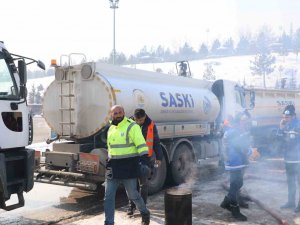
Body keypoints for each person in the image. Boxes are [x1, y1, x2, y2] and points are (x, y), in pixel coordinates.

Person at [104, 105, 150, 225]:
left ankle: (144, 212)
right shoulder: (110, 129)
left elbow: (141, 145)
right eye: (115, 113)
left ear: (124, 113)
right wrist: (108, 160)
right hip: (113, 168)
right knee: (108, 197)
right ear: (111, 115)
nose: (118, 114)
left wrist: (145, 162)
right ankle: (109, 223)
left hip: (129, 167)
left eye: (120, 112)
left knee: (133, 195)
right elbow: (110, 148)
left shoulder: (132, 126)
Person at [127, 108, 163, 216]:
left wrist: (159, 157)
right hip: (131, 157)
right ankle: (131, 206)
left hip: (145, 158)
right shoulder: (128, 123)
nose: (139, 122)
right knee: (131, 184)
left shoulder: (151, 125)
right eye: (137, 120)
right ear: (134, 117)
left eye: (141, 120)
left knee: (143, 184)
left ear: (145, 116)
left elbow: (156, 141)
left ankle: (142, 206)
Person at [220, 112, 253, 221]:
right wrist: (250, 151)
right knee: (235, 184)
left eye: (247, 120)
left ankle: (226, 202)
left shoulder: (237, 130)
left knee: (238, 183)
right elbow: (240, 147)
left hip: (238, 160)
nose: (246, 122)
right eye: (244, 120)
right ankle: (234, 210)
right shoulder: (234, 131)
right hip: (234, 161)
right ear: (239, 121)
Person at [277, 105, 300, 212]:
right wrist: (281, 128)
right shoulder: (286, 126)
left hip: (298, 160)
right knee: (290, 182)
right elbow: (280, 140)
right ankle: (291, 202)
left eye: (287, 117)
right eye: (284, 117)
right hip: (289, 159)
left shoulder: (298, 125)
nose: (285, 119)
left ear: (293, 116)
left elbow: (291, 142)